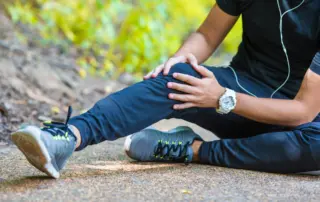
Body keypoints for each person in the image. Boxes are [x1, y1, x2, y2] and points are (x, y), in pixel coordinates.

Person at [11, 0, 320, 179]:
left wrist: (224, 98)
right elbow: (207, 35)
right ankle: (66, 138)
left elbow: (303, 110)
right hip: (244, 86)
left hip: (299, 123)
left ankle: (194, 151)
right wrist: (179, 60)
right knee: (180, 76)